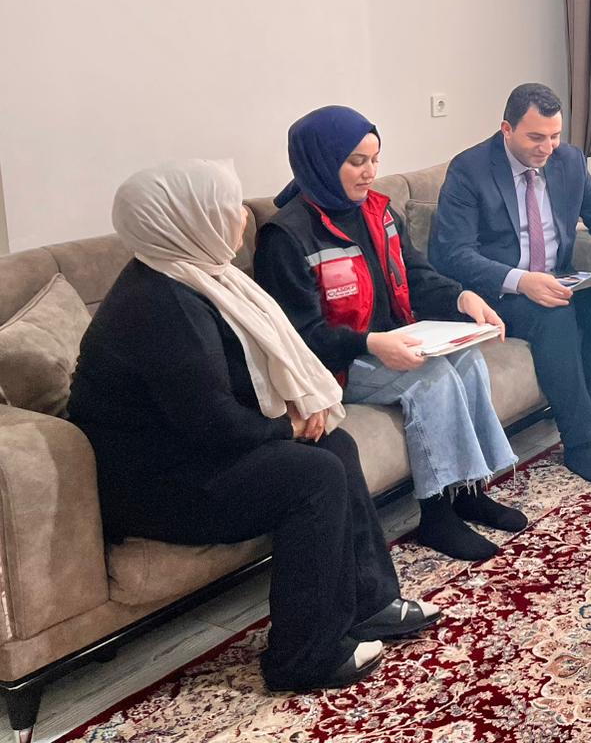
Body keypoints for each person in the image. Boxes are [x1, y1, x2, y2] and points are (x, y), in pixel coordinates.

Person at [67, 161, 441, 694]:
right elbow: (211, 422)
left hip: (192, 453)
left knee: (335, 443)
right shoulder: (158, 304)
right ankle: (304, 656)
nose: (243, 216)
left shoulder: (198, 275)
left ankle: (369, 601)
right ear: (185, 220)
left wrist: (299, 409)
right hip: (159, 484)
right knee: (312, 475)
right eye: (227, 207)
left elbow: (235, 380)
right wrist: (288, 426)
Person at [254, 106, 526, 562]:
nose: (370, 172)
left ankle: (469, 491)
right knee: (432, 380)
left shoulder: (378, 211)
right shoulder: (286, 236)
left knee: (467, 359)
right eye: (357, 161)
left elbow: (416, 275)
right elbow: (299, 336)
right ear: (321, 162)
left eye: (375, 159)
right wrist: (370, 343)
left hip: (391, 342)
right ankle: (437, 515)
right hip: (336, 364)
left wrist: (462, 298)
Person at [430, 83, 591, 486]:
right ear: (507, 129)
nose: (548, 147)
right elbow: (454, 254)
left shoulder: (569, 160)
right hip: (496, 292)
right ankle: (580, 443)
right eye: (536, 137)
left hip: (557, 277)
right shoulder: (470, 169)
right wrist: (522, 281)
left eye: (554, 135)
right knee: (553, 315)